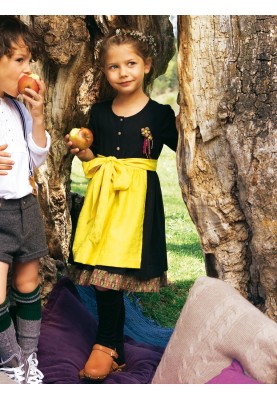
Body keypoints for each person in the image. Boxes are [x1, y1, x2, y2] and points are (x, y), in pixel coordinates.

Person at [65, 28, 178, 382]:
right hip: (104, 203)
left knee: (117, 276)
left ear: (147, 65)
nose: (123, 72)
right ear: (105, 72)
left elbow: (191, 151)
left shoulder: (160, 115)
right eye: (114, 67)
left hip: (138, 203)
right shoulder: (98, 113)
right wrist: (82, 151)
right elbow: (93, 158)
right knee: (102, 278)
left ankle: (108, 344)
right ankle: (111, 344)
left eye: (131, 63)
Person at [0, 16, 51, 384]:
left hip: (25, 205)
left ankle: (28, 358)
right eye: (19, 60)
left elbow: (36, 157)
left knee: (29, 281)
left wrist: (37, 115)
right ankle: (10, 358)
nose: (27, 69)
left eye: (28, 61)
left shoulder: (18, 107)